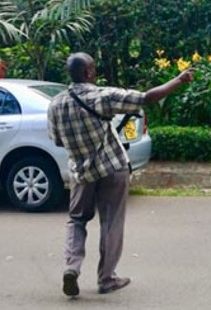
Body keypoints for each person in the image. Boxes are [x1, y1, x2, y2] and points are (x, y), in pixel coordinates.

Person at [48, 52, 194, 297]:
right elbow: (147, 98)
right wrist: (179, 80)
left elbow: (58, 141)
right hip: (112, 168)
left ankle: (72, 267)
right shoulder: (102, 96)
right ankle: (106, 279)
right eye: (93, 68)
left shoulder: (56, 104)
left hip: (82, 174)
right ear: (88, 73)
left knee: (77, 220)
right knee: (111, 222)